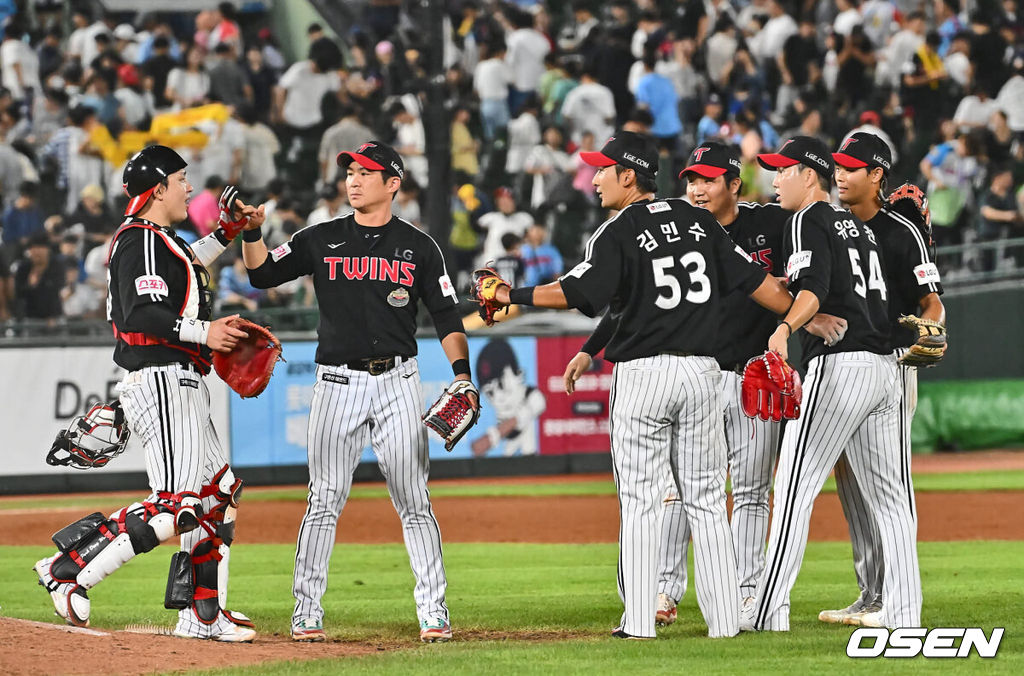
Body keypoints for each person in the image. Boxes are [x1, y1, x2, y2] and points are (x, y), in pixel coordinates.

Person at [485, 131, 794, 639]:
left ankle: (639, 623)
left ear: (629, 175)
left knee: (642, 500)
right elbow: (757, 284)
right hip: (701, 373)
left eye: (602, 169)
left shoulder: (618, 230)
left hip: (645, 375)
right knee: (708, 501)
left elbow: (578, 291)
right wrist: (804, 317)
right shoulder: (697, 220)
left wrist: (509, 293)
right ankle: (723, 626)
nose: (595, 177)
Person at [242, 141, 476, 643]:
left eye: (366, 172)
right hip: (335, 383)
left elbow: (446, 317)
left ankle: (433, 610)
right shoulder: (320, 238)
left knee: (414, 499)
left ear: (393, 183)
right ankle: (306, 610)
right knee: (324, 499)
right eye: (349, 171)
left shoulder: (419, 247)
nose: (353, 179)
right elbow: (262, 273)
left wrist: (461, 374)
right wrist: (252, 232)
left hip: (398, 382)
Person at [32, 145, 258, 641]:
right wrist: (206, 332)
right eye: (181, 179)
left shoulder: (153, 239)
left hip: (176, 375)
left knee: (218, 494)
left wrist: (227, 234)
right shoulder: (140, 239)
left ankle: (202, 613)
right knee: (178, 505)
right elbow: (139, 313)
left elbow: (184, 265)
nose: (189, 188)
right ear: (158, 188)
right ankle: (66, 570)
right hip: (161, 374)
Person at [748, 136, 921, 631]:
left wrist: (785, 327)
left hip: (840, 366)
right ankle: (904, 615)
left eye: (783, 171)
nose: (775, 179)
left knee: (794, 490)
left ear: (809, 175)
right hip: (885, 368)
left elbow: (815, 290)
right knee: (893, 503)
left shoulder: (807, 218)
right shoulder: (859, 230)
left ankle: (768, 613)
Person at [818, 132, 945, 627]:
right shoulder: (832, 226)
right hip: (842, 362)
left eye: (852, 166)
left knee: (889, 483)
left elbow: (931, 299)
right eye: (838, 166)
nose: (841, 174)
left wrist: (934, 327)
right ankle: (872, 592)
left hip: (893, 360)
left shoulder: (899, 231)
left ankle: (897, 597)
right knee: (848, 476)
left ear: (877, 175)